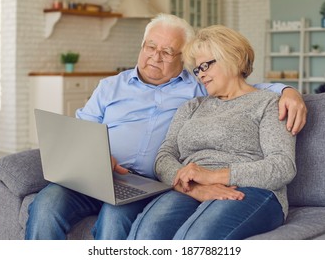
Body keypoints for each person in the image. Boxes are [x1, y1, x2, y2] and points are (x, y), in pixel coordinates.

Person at [25, 14, 306, 240]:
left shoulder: (198, 88)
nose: (155, 57)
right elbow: (85, 134)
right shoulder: (114, 87)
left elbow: (244, 89)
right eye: (150, 47)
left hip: (145, 184)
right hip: (99, 174)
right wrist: (92, 158)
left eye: (167, 52)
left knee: (117, 218)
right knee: (47, 205)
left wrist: (289, 91)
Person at [126, 25, 296, 240]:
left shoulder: (268, 103)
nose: (200, 75)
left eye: (205, 66)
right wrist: (194, 186)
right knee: (147, 233)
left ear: (232, 58)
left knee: (195, 239)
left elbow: (283, 166)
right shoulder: (191, 106)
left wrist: (213, 176)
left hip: (253, 189)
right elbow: (164, 156)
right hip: (191, 189)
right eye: (197, 70)